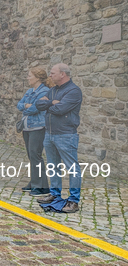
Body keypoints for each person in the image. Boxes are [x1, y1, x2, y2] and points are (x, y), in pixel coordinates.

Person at [36, 63, 83, 213]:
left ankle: (73, 201)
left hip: (66, 135)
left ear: (62, 74)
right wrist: (51, 102)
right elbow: (38, 104)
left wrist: (48, 105)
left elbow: (60, 109)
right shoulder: (53, 90)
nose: (50, 75)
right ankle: (55, 194)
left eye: (52, 73)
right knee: (53, 166)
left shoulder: (74, 91)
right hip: (49, 134)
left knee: (72, 168)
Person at [17, 67, 53, 196]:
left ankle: (41, 187)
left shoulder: (45, 91)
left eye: (29, 76)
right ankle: (35, 182)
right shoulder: (29, 91)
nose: (27, 78)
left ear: (37, 78)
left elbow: (35, 108)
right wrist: (27, 106)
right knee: (31, 156)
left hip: (38, 127)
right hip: (27, 127)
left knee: (36, 155)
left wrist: (27, 107)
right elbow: (19, 105)